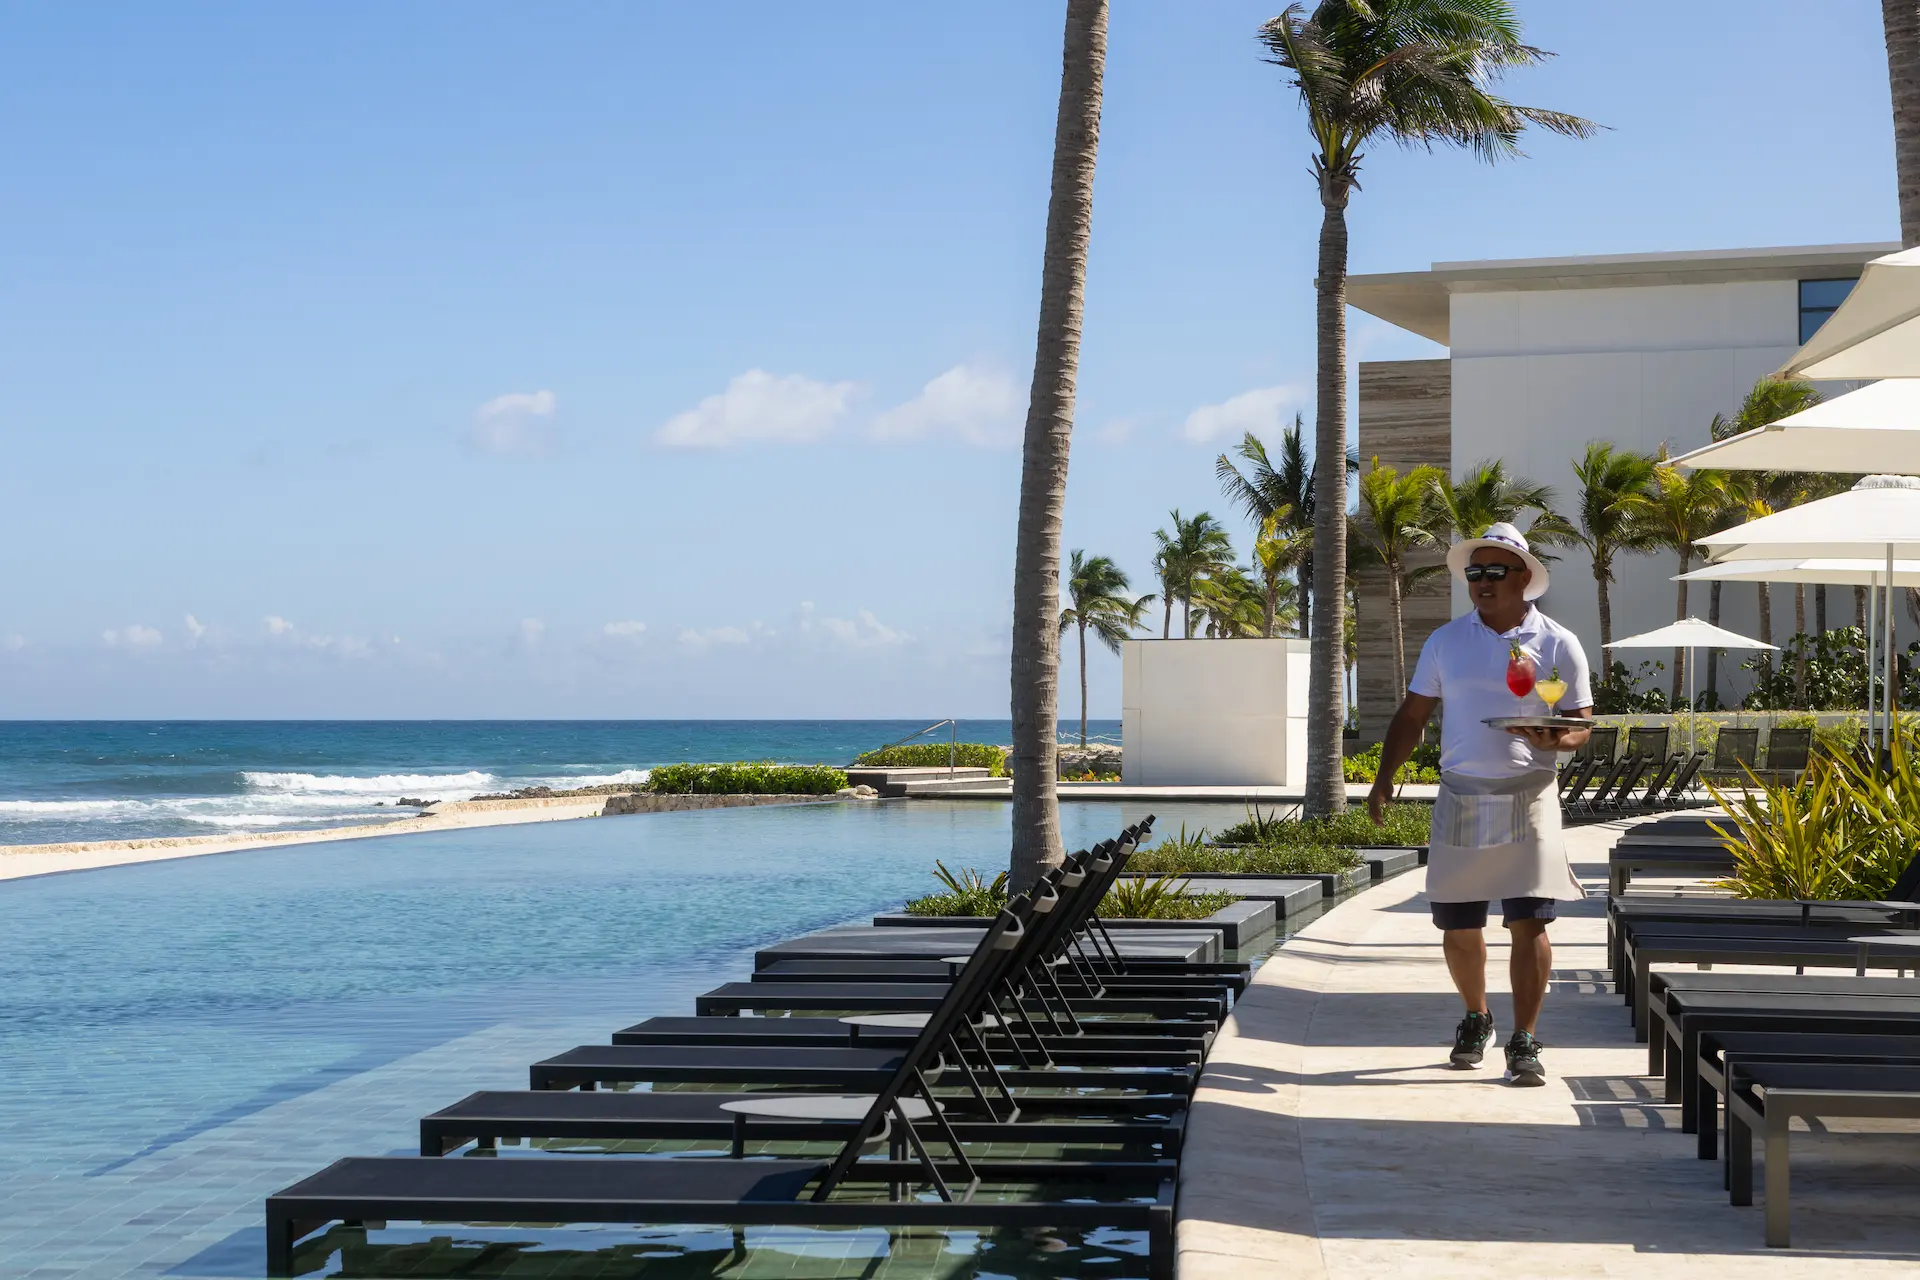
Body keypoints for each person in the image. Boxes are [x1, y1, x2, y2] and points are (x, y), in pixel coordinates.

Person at [1367, 521, 1592, 1086]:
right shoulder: (1446, 641)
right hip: (1462, 792)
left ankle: (1525, 1038)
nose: (1483, 582)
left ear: (1524, 578)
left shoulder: (1559, 644)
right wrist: (1383, 777)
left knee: (1530, 922)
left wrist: (1554, 739)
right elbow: (1413, 715)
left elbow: (1578, 726)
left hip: (1531, 794)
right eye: (1475, 572)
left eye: (1495, 571)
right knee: (1458, 923)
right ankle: (1477, 1016)